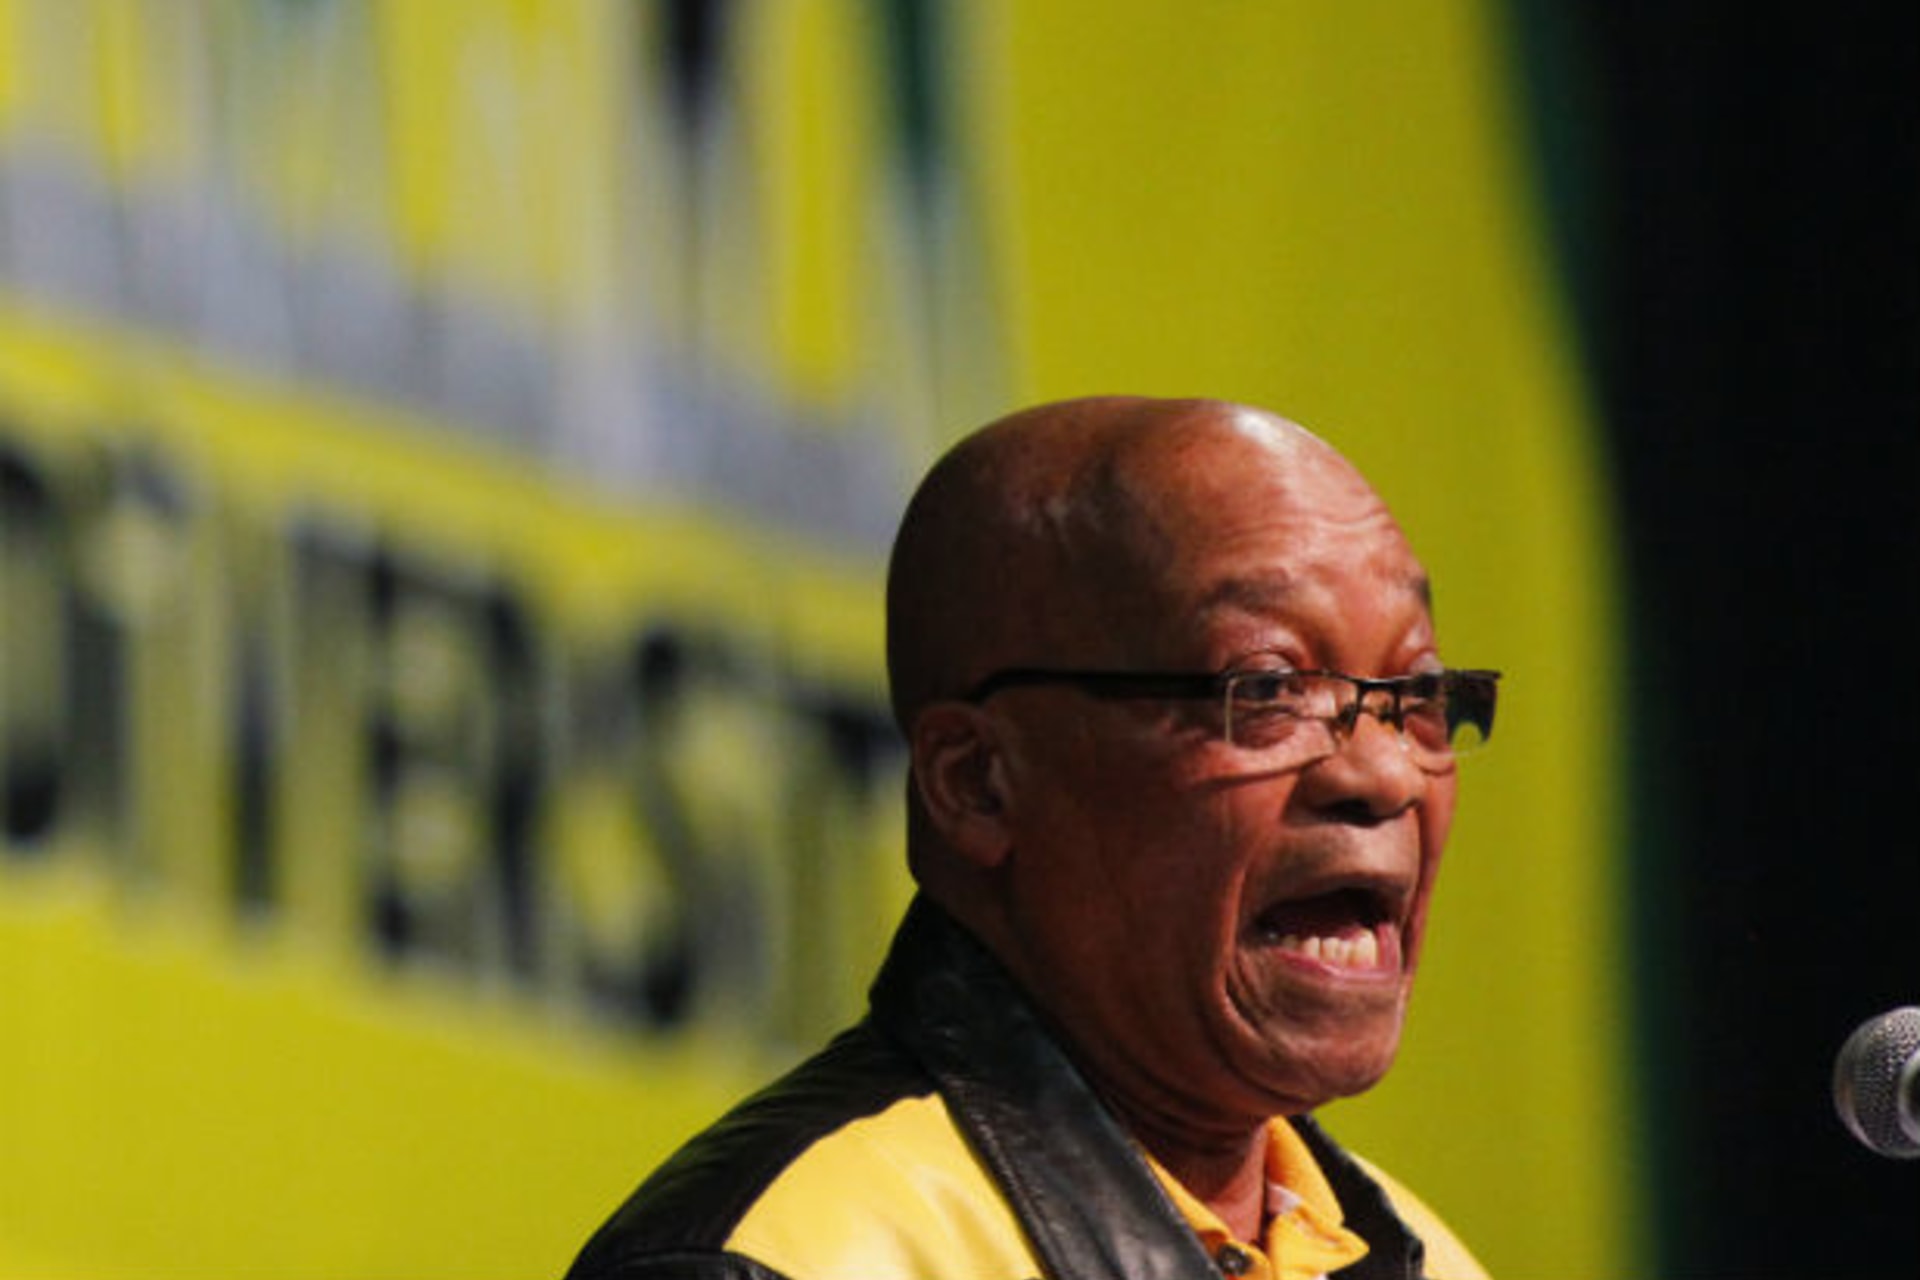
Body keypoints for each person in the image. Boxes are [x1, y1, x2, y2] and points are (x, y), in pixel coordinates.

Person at [568, 396, 1499, 1280]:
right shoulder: (790, 1258)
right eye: (1264, 690)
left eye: (1417, 698)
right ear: (977, 784)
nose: (1383, 776)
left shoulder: (1420, 1257)